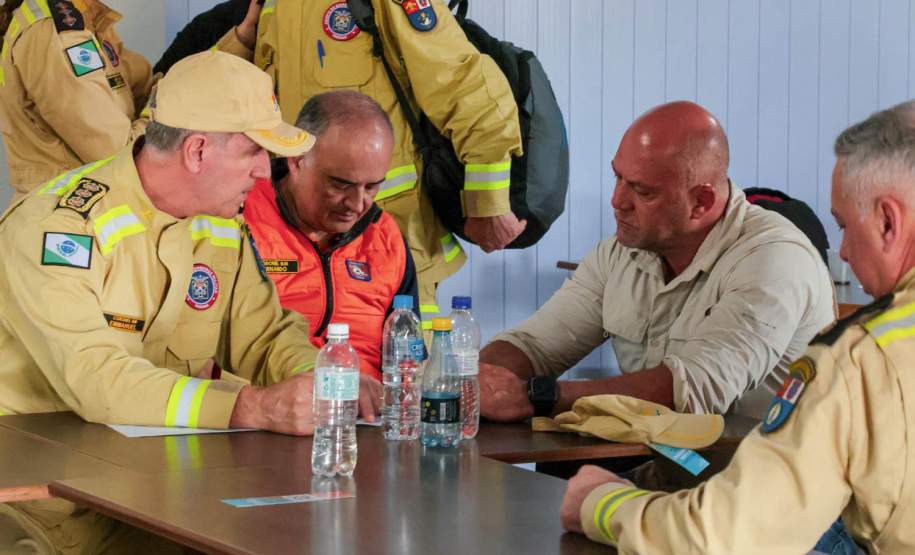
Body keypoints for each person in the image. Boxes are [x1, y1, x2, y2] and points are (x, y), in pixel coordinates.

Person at [0, 50, 381, 553]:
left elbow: (265, 337)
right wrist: (253, 407)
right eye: (254, 153)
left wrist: (332, 384)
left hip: (161, 493)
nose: (267, 174)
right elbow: (96, 377)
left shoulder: (220, 223)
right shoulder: (58, 228)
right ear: (198, 151)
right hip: (41, 505)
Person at [560, 100, 915, 554]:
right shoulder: (618, 254)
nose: (842, 253)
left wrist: (601, 505)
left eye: (844, 226)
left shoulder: (859, 361)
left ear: (888, 220)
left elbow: (725, 535)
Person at [478, 101, 835, 422]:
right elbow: (536, 346)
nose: (618, 201)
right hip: (664, 470)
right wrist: (475, 380)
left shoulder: (773, 258)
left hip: (752, 482)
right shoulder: (621, 253)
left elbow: (694, 388)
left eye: (642, 191)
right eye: (617, 177)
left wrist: (537, 397)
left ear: (702, 202)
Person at [212, 0, 526, 327]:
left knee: (402, 368)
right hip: (295, 252)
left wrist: (487, 202)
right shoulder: (275, 6)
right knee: (296, 363)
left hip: (392, 250)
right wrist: (244, 40)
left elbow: (467, 86)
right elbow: (229, 100)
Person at [0, 0, 260, 205]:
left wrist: (241, 41)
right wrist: (173, 113)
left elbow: (153, 89)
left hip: (90, 213)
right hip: (65, 222)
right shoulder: (55, 33)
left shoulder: (87, 20)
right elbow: (121, 153)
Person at [244, 90, 420, 380]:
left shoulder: (387, 239)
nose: (357, 204)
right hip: (275, 409)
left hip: (369, 416)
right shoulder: (239, 217)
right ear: (296, 159)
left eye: (372, 187)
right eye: (340, 185)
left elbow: (408, 362)